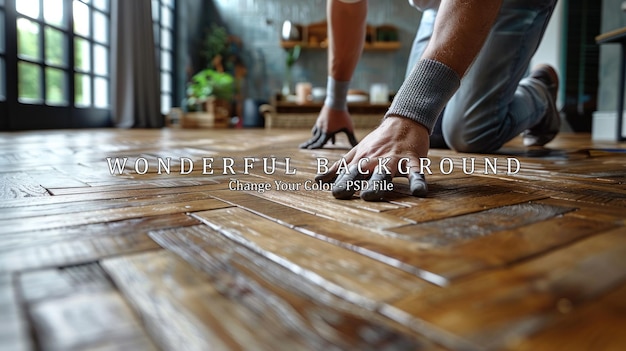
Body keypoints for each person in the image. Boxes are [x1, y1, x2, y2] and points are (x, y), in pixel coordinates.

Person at [299, 0, 560, 201]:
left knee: (469, 132)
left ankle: (541, 92)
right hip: (437, 6)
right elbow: (346, 6)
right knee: (428, 132)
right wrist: (335, 101)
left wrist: (409, 114)